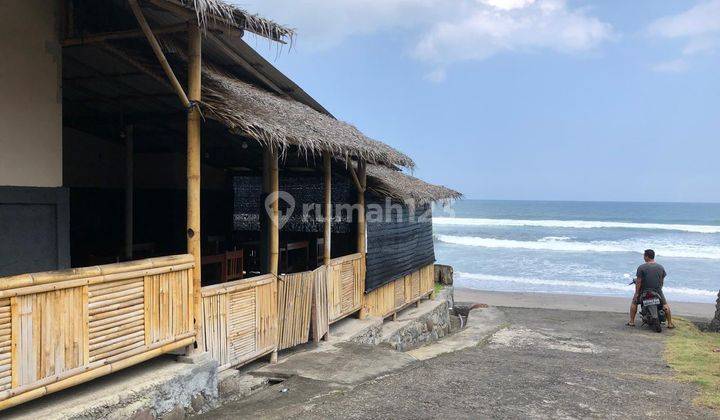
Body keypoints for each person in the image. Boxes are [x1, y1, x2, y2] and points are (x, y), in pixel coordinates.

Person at [627, 249, 675, 328]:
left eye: (644, 255)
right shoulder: (660, 267)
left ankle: (632, 321)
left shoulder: (641, 267)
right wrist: (659, 289)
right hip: (657, 291)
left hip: (644, 291)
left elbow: (638, 282)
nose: (643, 257)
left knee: (634, 303)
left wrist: (636, 293)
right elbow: (662, 281)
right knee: (665, 305)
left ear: (646, 256)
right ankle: (669, 323)